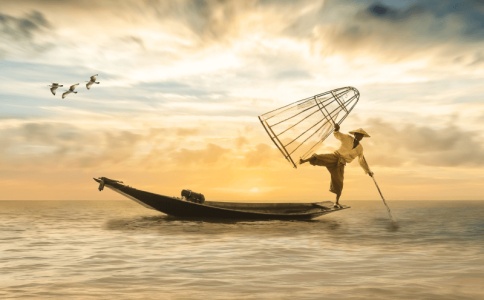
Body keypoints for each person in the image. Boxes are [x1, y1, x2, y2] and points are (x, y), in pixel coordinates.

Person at [299, 123, 374, 207]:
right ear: (355, 134)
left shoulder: (360, 148)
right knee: (320, 157)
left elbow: (361, 160)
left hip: (341, 163)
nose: (359, 137)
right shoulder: (347, 138)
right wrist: (337, 129)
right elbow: (338, 135)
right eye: (358, 135)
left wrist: (368, 171)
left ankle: (336, 202)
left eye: (361, 136)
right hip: (335, 156)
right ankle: (303, 160)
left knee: (339, 183)